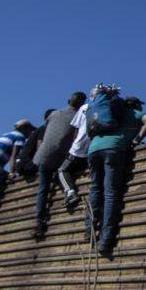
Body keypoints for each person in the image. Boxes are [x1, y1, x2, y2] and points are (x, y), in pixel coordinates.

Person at [87, 96, 146, 256]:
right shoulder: (134, 113)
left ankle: (88, 229)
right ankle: (105, 240)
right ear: (136, 105)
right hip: (113, 149)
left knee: (95, 189)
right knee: (110, 194)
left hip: (94, 149)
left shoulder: (110, 114)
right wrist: (138, 139)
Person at [30, 92, 87, 239]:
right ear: (82, 104)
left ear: (68, 100)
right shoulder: (79, 117)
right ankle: (69, 193)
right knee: (64, 172)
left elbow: (46, 133)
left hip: (43, 156)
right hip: (61, 157)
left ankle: (39, 223)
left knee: (43, 189)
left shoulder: (53, 114)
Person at [58, 92, 95, 210]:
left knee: (62, 170)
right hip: (93, 150)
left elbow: (76, 129)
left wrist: (72, 146)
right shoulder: (108, 109)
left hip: (79, 149)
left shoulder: (85, 108)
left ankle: (70, 193)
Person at [13, 112, 50, 180]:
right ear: (24, 128)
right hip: (26, 165)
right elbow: (40, 146)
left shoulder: (26, 141)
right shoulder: (42, 129)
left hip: (20, 166)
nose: (31, 132)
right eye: (30, 130)